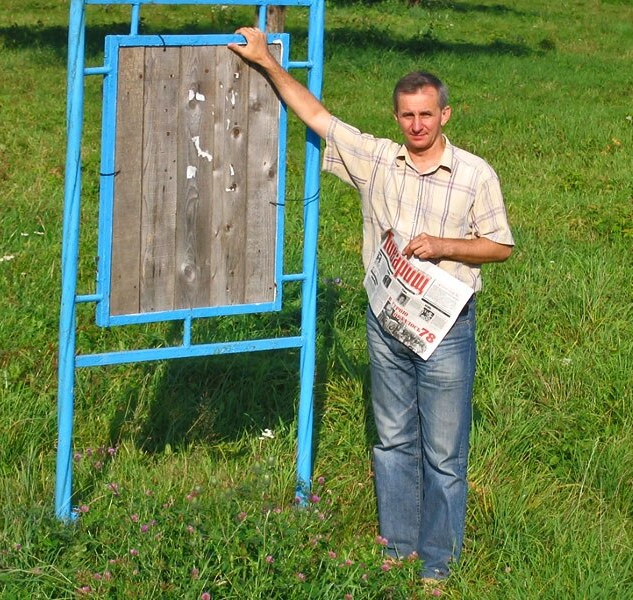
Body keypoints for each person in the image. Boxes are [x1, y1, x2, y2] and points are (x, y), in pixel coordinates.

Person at [229, 28, 514, 581]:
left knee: (444, 453)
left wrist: (443, 246)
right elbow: (316, 116)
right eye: (407, 115)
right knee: (392, 440)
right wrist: (265, 60)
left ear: (446, 114)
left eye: (427, 114)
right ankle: (397, 552)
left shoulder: (475, 174)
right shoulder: (378, 159)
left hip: (445, 327)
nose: (417, 125)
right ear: (396, 117)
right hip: (386, 322)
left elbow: (500, 246)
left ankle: (438, 567)